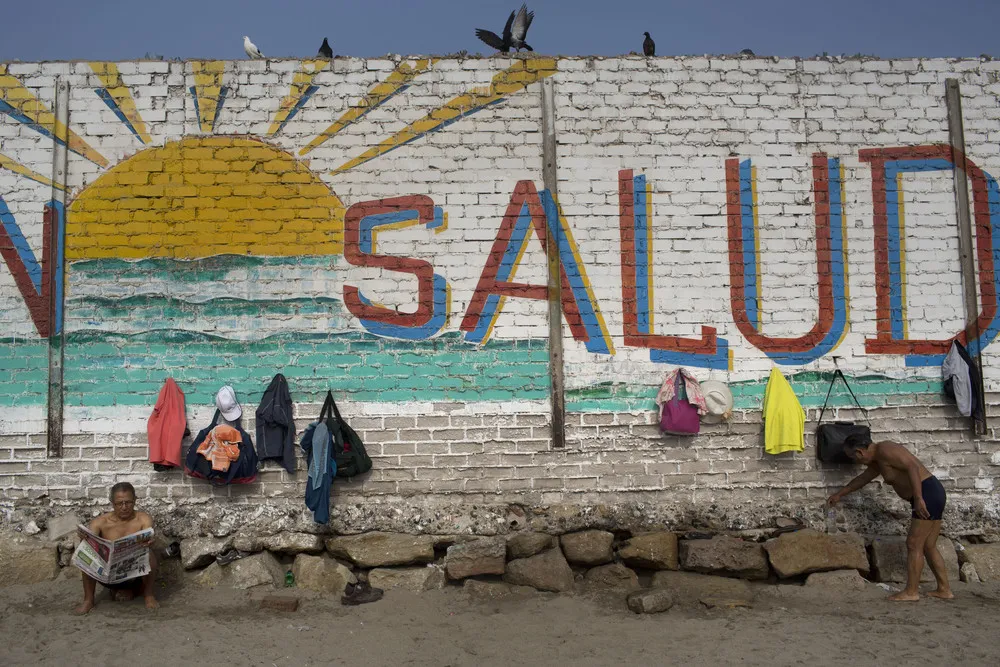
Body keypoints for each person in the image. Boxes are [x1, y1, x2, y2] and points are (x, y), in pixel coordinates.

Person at [827, 433, 953, 601]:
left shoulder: (885, 449)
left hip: (926, 494)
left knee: (914, 544)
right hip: (930, 493)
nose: (854, 461)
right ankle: (944, 590)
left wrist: (918, 498)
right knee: (929, 545)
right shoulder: (878, 461)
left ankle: (911, 592)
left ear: (859, 452)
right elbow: (863, 479)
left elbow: (913, 467)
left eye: (852, 457)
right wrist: (839, 494)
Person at [75, 482, 159, 614]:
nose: (124, 507)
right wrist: (84, 540)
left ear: (135, 500)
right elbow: (89, 545)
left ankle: (148, 595)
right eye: (119, 503)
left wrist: (150, 541)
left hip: (135, 576)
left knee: (149, 554)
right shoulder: (100, 522)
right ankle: (88, 600)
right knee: (87, 557)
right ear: (112, 503)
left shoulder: (143, 519)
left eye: (129, 502)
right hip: (107, 576)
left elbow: (149, 536)